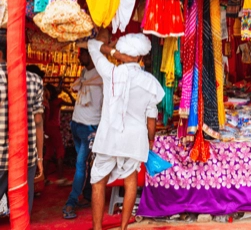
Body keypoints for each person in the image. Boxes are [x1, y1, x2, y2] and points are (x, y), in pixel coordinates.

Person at [84, 30, 164, 230]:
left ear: (122, 52)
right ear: (141, 56)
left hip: (109, 138)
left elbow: (92, 46)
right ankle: (123, 228)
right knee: (130, 183)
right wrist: (151, 140)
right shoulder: (150, 82)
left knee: (98, 182)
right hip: (135, 139)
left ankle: (97, 228)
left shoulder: (111, 72)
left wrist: (114, 54)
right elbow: (151, 117)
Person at [0, 34, 45, 213]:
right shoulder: (35, 80)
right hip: (26, 155)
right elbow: (39, 121)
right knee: (22, 210)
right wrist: (39, 157)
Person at [63, 48, 104, 219]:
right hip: (77, 123)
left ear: (92, 56)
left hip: (89, 127)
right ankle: (86, 195)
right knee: (84, 164)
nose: (80, 56)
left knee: (81, 164)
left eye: (83, 54)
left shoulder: (101, 78)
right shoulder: (84, 73)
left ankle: (71, 202)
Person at [43, 84, 68, 186]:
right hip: (54, 128)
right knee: (60, 151)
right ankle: (61, 177)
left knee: (48, 152)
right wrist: (67, 92)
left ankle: (44, 178)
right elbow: (74, 103)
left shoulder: (47, 101)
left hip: (47, 127)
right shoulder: (58, 101)